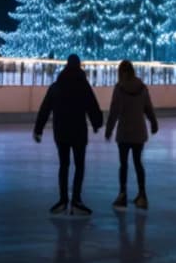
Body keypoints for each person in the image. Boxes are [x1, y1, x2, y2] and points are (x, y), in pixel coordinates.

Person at [34, 54, 104, 216]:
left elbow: (45, 109)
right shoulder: (83, 85)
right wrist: (97, 123)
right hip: (79, 132)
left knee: (64, 165)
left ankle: (63, 199)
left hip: (61, 132)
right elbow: (92, 105)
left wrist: (38, 129)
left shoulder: (56, 86)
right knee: (79, 165)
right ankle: (76, 200)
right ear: (79, 66)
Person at [105, 60, 159, 210]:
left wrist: (109, 129)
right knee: (138, 163)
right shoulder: (142, 88)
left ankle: (122, 194)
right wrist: (154, 123)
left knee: (123, 164)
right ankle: (142, 195)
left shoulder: (119, 88)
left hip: (124, 132)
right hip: (139, 132)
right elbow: (148, 107)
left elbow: (114, 111)